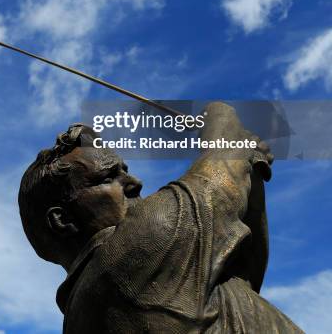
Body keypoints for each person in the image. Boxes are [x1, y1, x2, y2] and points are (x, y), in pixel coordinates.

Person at [18, 101, 303, 333]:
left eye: (125, 170)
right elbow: (222, 165)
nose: (135, 182)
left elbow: (243, 273)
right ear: (62, 220)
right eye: (108, 176)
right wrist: (219, 115)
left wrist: (248, 163)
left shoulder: (83, 313)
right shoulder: (126, 257)